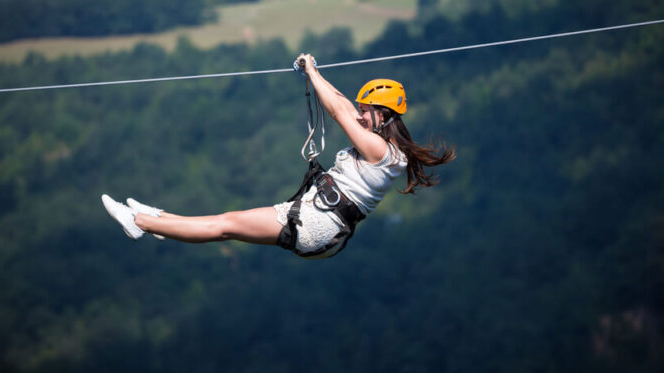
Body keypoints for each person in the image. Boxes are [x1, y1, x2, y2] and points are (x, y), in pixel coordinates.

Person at [102, 53, 455, 258]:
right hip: (316, 216)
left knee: (225, 226)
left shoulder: (381, 151)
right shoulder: (385, 149)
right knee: (226, 221)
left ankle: (141, 224)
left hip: (317, 223)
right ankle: (161, 220)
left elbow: (340, 113)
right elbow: (345, 105)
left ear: (387, 115)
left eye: (369, 111)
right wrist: (314, 70)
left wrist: (312, 73)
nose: (362, 115)